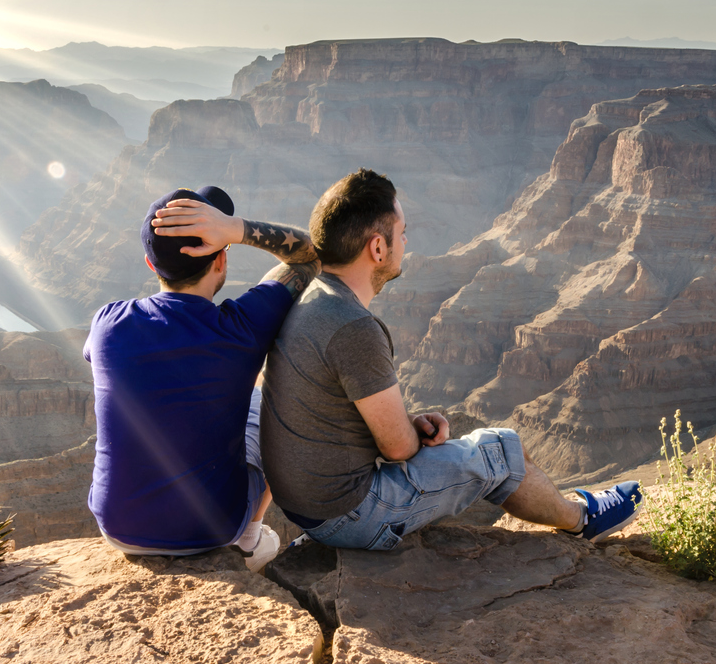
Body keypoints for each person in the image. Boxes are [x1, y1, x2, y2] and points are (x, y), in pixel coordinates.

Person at [260, 169, 642, 550]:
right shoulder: (353, 328)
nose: (406, 241)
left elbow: (337, 410)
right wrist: (409, 435)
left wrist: (407, 422)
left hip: (307, 507)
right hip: (354, 515)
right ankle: (582, 520)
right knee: (502, 450)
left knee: (494, 446)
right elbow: (399, 450)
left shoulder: (308, 291)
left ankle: (571, 508)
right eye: (402, 232)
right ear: (378, 249)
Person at [84, 185, 319, 571]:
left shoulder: (108, 322)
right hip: (212, 531)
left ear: (150, 263)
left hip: (117, 529)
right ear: (220, 262)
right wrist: (236, 230)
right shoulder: (242, 328)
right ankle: (248, 537)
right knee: (276, 402)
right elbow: (309, 255)